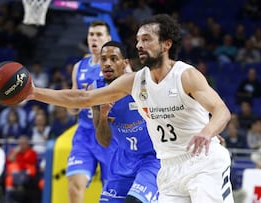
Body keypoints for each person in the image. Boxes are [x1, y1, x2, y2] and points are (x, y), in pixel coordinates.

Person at [28, 14, 234, 203]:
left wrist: (208, 132)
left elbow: (221, 110)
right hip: (169, 169)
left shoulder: (185, 75)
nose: (139, 45)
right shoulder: (135, 81)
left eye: (146, 39)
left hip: (202, 164)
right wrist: (35, 93)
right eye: (137, 40)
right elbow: (83, 97)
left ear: (166, 44)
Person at [92, 41, 159, 202]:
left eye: (114, 58)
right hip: (123, 160)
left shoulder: (143, 85)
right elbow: (104, 141)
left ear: (125, 63)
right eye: (103, 59)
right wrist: (103, 115)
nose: (107, 63)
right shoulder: (96, 91)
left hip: (152, 159)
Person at [66, 20, 114, 203]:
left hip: (110, 136)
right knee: (74, 186)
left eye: (99, 34)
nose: (94, 38)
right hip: (84, 135)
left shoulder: (117, 67)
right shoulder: (79, 67)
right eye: (91, 34)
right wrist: (73, 102)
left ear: (108, 39)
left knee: (112, 194)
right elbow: (72, 108)